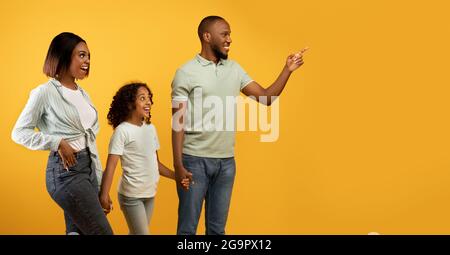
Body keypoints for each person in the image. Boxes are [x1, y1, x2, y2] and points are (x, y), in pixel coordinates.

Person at [171, 16, 308, 235]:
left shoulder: (234, 69)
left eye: (229, 34)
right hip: (194, 162)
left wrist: (287, 69)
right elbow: (177, 123)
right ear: (207, 37)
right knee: (187, 230)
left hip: (226, 164)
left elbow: (266, 98)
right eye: (224, 34)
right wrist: (178, 166)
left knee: (217, 231)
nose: (230, 39)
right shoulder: (186, 73)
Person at [11, 32, 113, 235]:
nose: (87, 61)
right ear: (64, 56)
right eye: (81, 55)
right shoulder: (45, 92)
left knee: (77, 233)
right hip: (66, 174)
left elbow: (89, 141)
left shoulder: (83, 94)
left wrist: (101, 186)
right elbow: (19, 132)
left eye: (88, 56)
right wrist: (57, 141)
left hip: (89, 169)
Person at [99, 82, 190, 235]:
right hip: (131, 196)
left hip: (149, 194)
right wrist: (104, 194)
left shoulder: (150, 128)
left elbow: (156, 164)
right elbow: (111, 167)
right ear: (129, 104)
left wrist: (177, 177)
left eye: (149, 98)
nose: (148, 102)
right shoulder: (122, 131)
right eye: (142, 98)